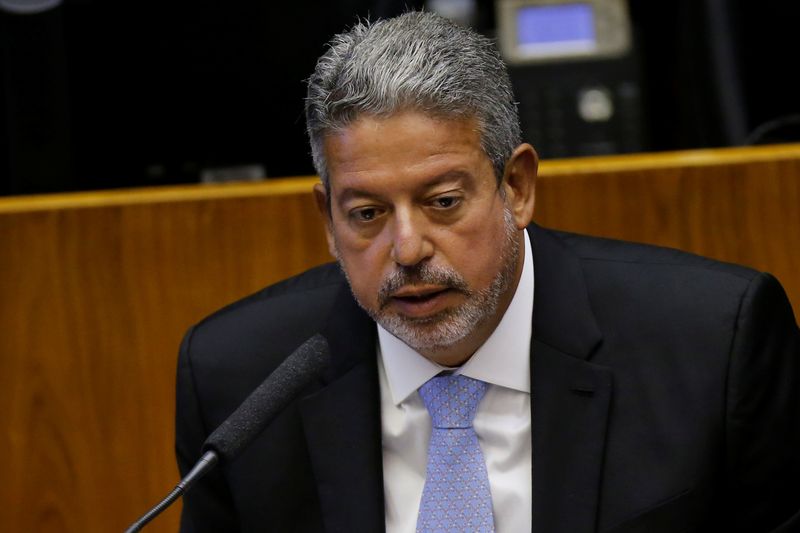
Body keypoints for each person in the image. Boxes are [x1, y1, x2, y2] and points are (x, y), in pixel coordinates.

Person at [175, 11, 800, 533]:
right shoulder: (239, 382)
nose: (408, 248)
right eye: (366, 213)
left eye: (443, 202)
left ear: (517, 187)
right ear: (327, 216)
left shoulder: (714, 343)